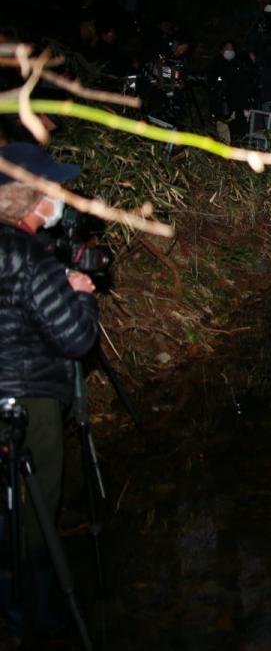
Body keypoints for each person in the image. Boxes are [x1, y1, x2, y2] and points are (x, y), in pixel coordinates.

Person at [0, 144, 99, 635]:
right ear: (31, 196)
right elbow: (75, 339)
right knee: (36, 514)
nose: (60, 195)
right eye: (52, 187)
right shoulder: (29, 254)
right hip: (28, 398)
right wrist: (82, 297)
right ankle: (35, 617)